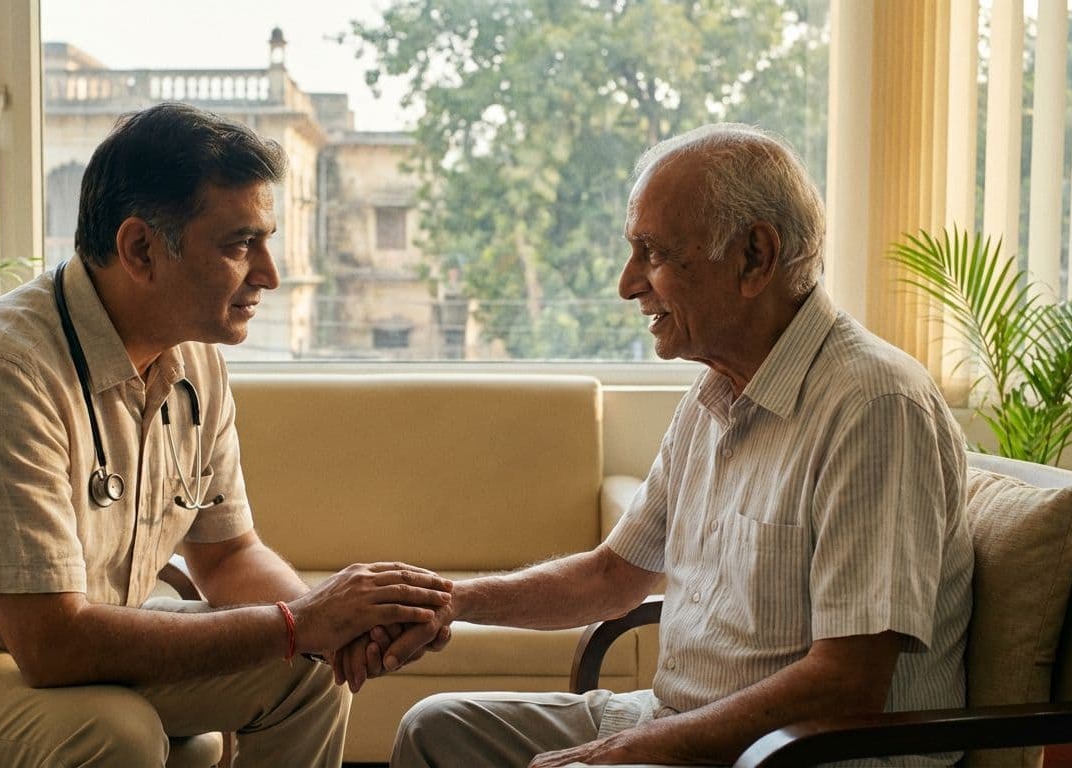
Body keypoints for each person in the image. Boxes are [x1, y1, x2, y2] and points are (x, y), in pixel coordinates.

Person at [0, 101, 452, 768]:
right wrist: (299, 623)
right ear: (141, 248)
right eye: (240, 245)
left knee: (309, 674)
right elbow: (52, 644)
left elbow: (229, 557)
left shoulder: (194, 359)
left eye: (265, 240)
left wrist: (333, 626)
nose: (269, 273)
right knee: (114, 731)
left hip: (72, 641)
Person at [376, 123, 973, 767]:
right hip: (679, 722)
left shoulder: (873, 407)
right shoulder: (714, 393)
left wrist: (628, 752)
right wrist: (451, 602)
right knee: (434, 729)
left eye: (653, 254)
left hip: (794, 754)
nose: (628, 283)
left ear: (754, 257)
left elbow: (846, 682)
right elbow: (613, 577)